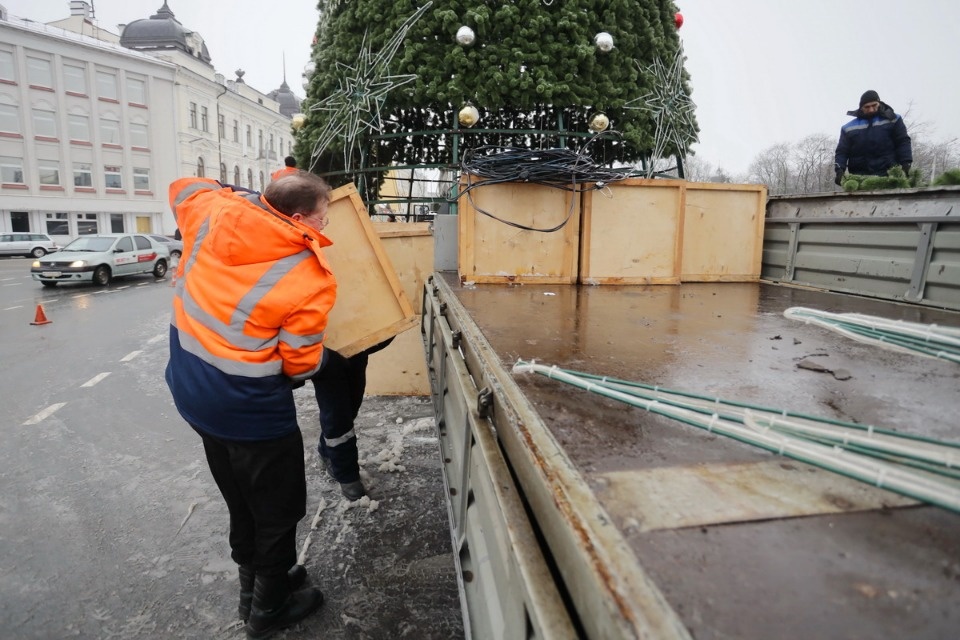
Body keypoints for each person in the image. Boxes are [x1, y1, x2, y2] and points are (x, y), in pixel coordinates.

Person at [166, 172, 337, 638]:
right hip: (250, 413)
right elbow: (300, 364)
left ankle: (258, 586)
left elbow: (184, 186)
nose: (327, 221)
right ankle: (268, 609)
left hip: (194, 394)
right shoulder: (307, 275)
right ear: (299, 217)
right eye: (324, 213)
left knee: (239, 498)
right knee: (278, 510)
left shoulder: (212, 213)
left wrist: (232, 192)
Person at [311, 337, 393, 501]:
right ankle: (346, 475)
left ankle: (325, 449)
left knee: (350, 407)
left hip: (356, 348)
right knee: (337, 415)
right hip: (325, 358)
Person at [834, 90, 913, 186]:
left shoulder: (893, 120)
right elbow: (842, 151)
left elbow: (902, 141)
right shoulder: (848, 128)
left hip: (889, 175)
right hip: (860, 177)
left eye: (874, 105)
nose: (871, 109)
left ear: (879, 103)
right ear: (861, 108)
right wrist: (839, 170)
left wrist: (906, 162)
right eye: (867, 107)